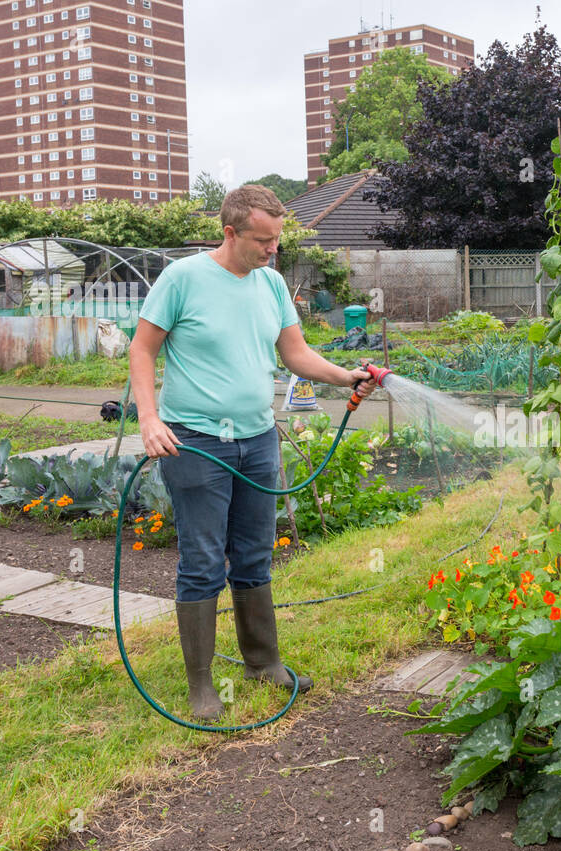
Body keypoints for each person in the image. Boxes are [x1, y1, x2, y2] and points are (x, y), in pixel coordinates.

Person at [128, 184, 376, 720]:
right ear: (230, 233)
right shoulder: (183, 279)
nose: (272, 250)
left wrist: (345, 376)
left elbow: (296, 353)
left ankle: (263, 663)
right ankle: (200, 686)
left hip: (258, 438)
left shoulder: (271, 283)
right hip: (194, 440)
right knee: (201, 561)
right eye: (263, 240)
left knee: (256, 552)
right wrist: (149, 419)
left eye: (277, 240)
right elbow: (142, 349)